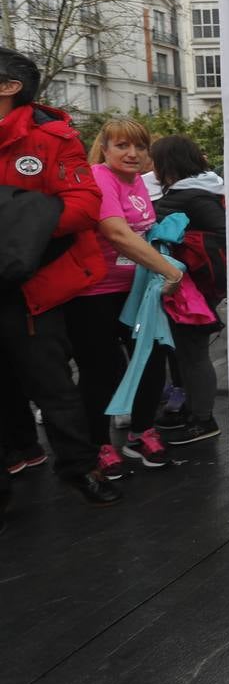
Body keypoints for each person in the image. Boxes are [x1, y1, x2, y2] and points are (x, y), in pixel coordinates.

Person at [0, 47, 121, 509]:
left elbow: (84, 204)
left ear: (10, 87)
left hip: (33, 286)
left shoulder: (51, 138)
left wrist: (17, 227)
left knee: (51, 385)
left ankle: (79, 468)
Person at [64, 119, 183, 478]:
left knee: (150, 360)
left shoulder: (138, 185)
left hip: (136, 292)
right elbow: (116, 233)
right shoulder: (100, 177)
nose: (133, 154)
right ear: (105, 148)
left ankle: (140, 432)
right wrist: (170, 271)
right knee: (101, 370)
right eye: (122, 146)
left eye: (140, 147)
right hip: (94, 293)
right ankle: (99, 443)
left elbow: (141, 233)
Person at [148, 135, 226, 444]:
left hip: (193, 286)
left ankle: (203, 419)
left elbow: (221, 231)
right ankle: (195, 412)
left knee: (192, 353)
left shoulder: (188, 196)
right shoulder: (208, 186)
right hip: (203, 284)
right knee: (187, 352)